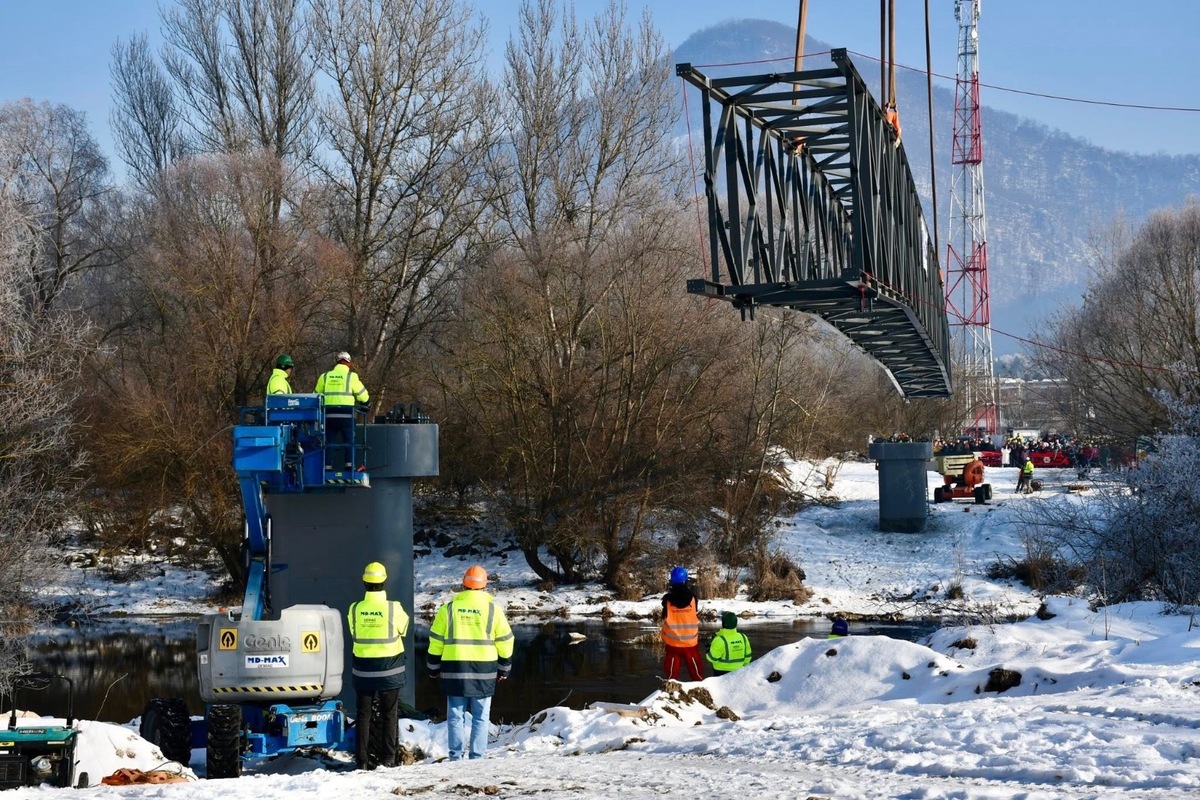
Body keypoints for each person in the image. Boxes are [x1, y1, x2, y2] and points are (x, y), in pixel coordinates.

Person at [427, 565, 514, 761]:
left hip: (454, 669)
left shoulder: (448, 609)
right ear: (485, 587)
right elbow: (506, 640)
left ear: (463, 585)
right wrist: (504, 668)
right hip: (484, 671)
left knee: (455, 717)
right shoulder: (493, 610)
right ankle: (477, 757)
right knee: (481, 717)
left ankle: (455, 757)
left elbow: (435, 641)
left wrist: (433, 667)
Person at [346, 561, 410, 770]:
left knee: (363, 715)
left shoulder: (355, 609)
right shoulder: (394, 608)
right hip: (390, 671)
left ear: (365, 582)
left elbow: (354, 633)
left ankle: (362, 761)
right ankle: (388, 759)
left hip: (363, 671)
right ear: (384, 582)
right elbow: (403, 629)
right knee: (389, 715)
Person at [314, 351, 369, 470]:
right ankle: (349, 465)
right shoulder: (351, 376)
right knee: (349, 441)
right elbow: (363, 396)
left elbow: (315, 396)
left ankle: (327, 467)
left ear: (336, 362)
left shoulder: (325, 376)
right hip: (346, 415)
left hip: (328, 415)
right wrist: (365, 403)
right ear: (349, 363)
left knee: (329, 442)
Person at [660, 566, 703, 682]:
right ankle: (701, 691)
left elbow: (664, 617)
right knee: (697, 674)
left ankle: (670, 695)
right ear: (685, 580)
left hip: (672, 643)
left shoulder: (667, 601)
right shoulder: (693, 599)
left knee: (671, 677)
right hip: (690, 643)